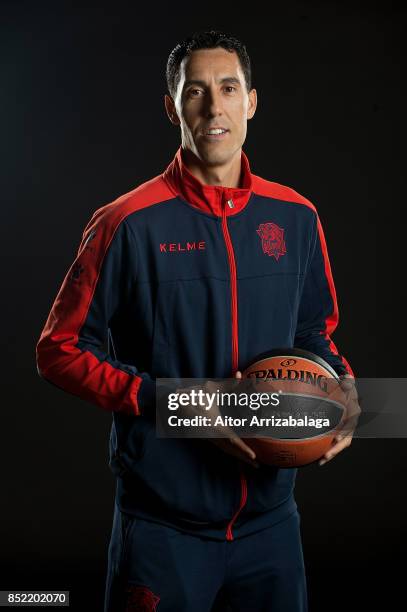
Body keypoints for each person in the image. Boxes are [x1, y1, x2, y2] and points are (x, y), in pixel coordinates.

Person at [36, 30, 358, 612]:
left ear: (251, 102)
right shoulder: (127, 223)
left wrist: (347, 392)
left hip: (272, 524)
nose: (214, 108)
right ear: (172, 106)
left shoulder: (296, 216)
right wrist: (173, 403)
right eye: (196, 92)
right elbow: (58, 350)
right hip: (164, 528)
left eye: (228, 88)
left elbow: (314, 335)